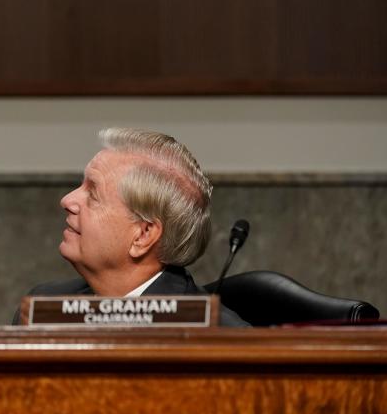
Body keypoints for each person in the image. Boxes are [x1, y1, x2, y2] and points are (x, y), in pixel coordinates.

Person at [14, 128, 248, 327]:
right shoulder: (41, 307)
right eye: (80, 185)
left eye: (93, 194)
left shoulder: (221, 341)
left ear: (143, 235)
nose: (67, 200)